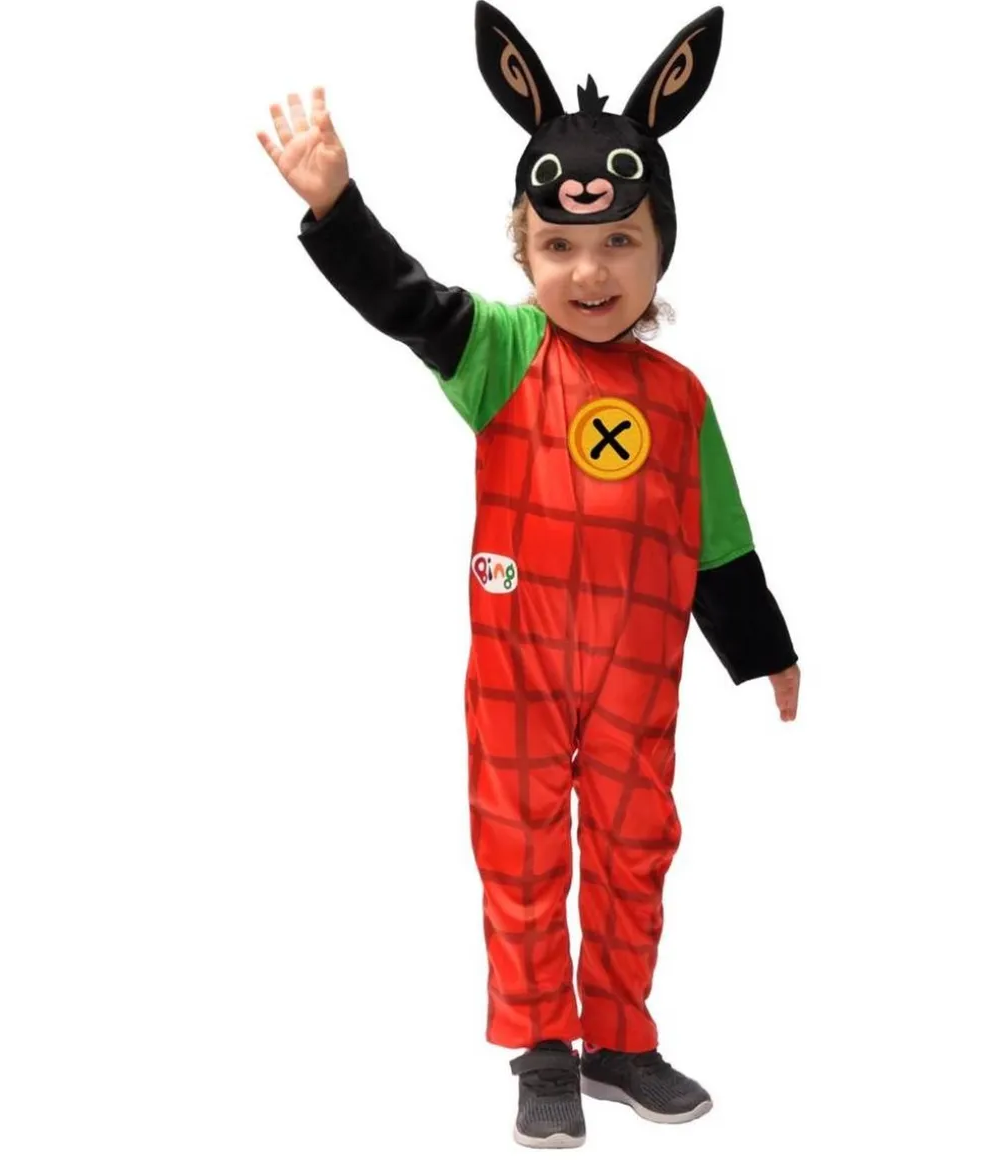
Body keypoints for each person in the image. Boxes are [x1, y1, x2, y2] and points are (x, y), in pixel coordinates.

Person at [257, 3, 800, 1149]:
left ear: (658, 248)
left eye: (618, 244)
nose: (588, 271)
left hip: (637, 677)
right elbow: (403, 301)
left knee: (635, 844)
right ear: (523, 251)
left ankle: (619, 1038)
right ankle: (543, 1045)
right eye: (557, 246)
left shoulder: (682, 400)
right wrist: (337, 211)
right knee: (520, 841)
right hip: (520, 670)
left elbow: (717, 539)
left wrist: (764, 650)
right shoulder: (501, 352)